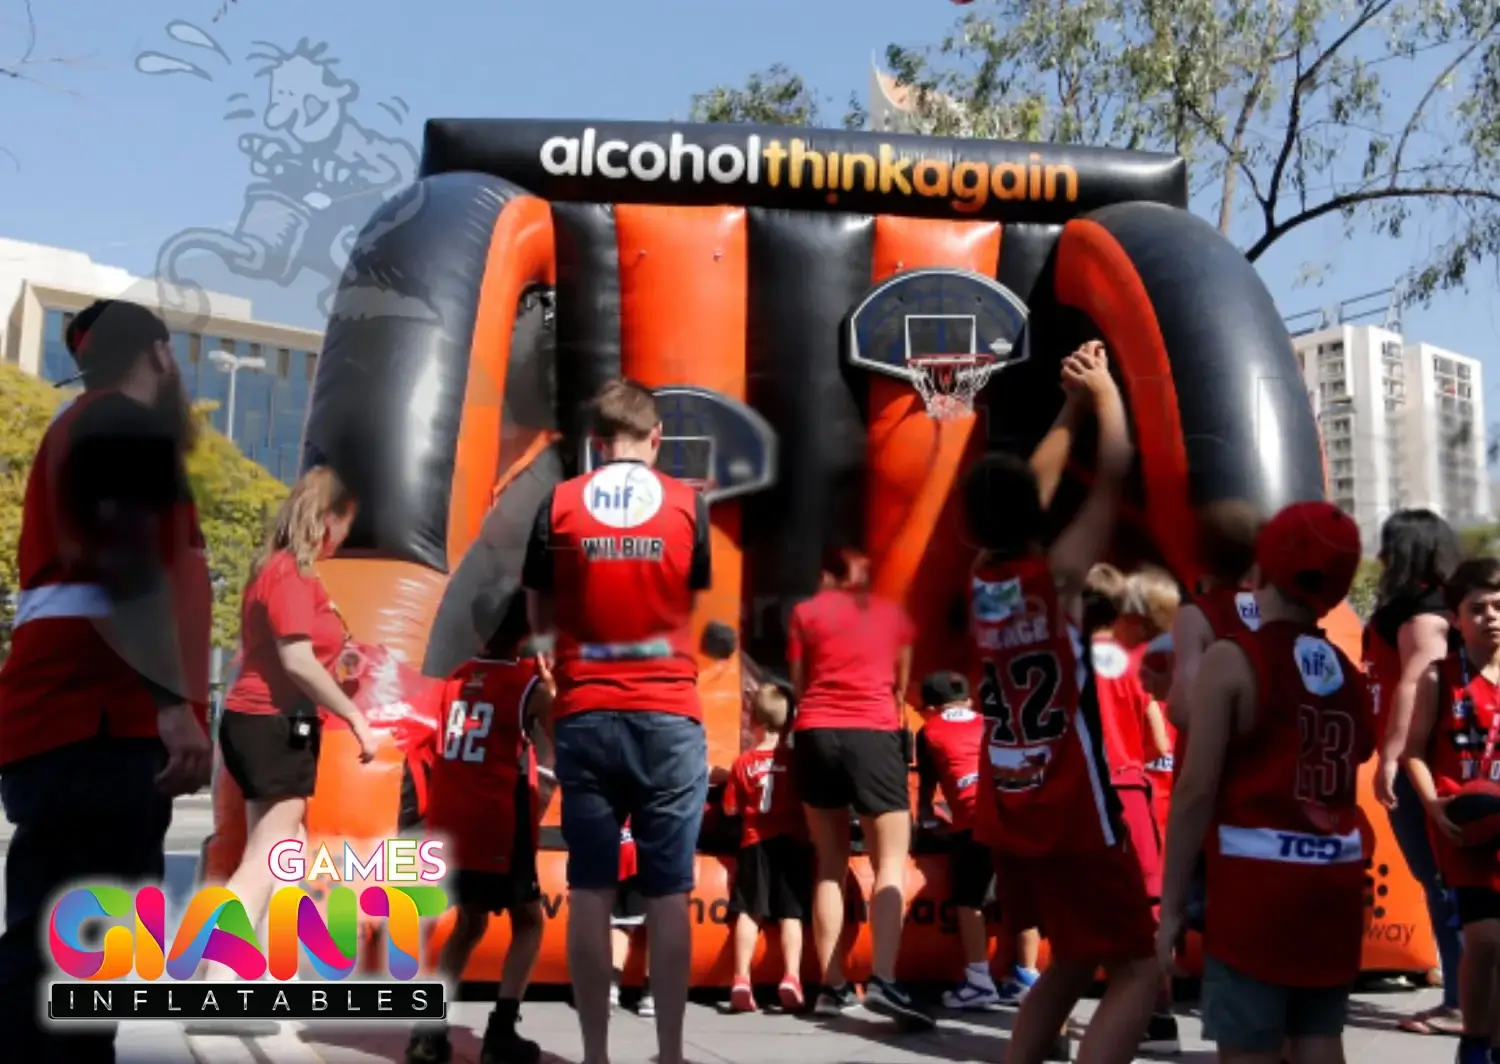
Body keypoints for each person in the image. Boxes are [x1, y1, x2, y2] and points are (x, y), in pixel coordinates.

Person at [0, 299, 213, 1063]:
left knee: (73, 948)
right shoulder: (122, 424)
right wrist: (173, 710)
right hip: (95, 723)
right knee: (71, 950)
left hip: (76, 721)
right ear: (158, 354)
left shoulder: (91, 425)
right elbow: (125, 568)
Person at [963, 340, 1160, 1064]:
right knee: (1139, 966)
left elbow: (1023, 497)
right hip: (1075, 802)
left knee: (1073, 959)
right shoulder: (1062, 576)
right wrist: (1104, 395)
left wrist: (1070, 407)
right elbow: (1110, 478)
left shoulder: (980, 579)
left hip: (1012, 799)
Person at [522, 379, 712, 1064]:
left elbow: (537, 598)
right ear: (656, 437)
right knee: (668, 891)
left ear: (596, 442)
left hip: (586, 710)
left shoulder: (561, 502)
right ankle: (668, 1053)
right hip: (666, 711)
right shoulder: (690, 505)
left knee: (590, 887)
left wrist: (551, 659)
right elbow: (687, 594)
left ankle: (595, 1055)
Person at [1163, 500, 1371, 1064]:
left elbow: (1195, 789)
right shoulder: (1347, 672)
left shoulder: (1234, 659)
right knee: (1319, 1037)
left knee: (1250, 1046)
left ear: (1263, 567)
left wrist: (1171, 906)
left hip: (1255, 892)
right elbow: (1360, 750)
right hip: (1331, 885)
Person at [207, 468, 379, 976]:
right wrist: (353, 717)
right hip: (270, 724)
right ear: (328, 519)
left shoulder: (286, 572)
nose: (346, 538)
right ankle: (220, 979)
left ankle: (254, 972)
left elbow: (304, 657)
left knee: (283, 854)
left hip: (274, 723)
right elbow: (296, 659)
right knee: (269, 856)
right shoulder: (289, 574)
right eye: (346, 525)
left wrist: (341, 665)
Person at [786, 544, 931, 1027]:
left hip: (814, 731)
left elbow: (799, 681)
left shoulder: (805, 613)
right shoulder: (892, 614)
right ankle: (886, 979)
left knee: (828, 862)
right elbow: (900, 683)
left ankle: (831, 986)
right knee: (890, 860)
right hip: (872, 729)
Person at [406, 601, 554, 1064]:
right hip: (497, 820)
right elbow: (562, 732)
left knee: (469, 922)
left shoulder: (455, 677)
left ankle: (428, 1031)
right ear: (526, 630)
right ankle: (501, 1033)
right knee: (529, 921)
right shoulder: (527, 683)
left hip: (452, 817)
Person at [1364, 510, 1464, 1035]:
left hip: (1426, 763)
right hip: (1437, 759)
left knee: (1444, 881)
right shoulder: (1445, 608)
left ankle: (1461, 1000)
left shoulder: (1421, 615)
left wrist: (1391, 756)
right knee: (1446, 881)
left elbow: (1414, 684)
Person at [1401, 557, 1500, 1064]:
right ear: (1456, 619)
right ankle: (1475, 1041)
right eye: (1478, 608)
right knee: (1483, 942)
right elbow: (1412, 751)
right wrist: (1434, 805)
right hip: (1465, 828)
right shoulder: (1439, 678)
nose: (1491, 617)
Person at [1083, 564, 1180, 1055]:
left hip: (1085, 795)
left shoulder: (1069, 661)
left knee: (1082, 909)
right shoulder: (1130, 661)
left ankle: (1072, 1019)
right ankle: (1158, 1012)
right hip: (1131, 790)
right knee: (1149, 905)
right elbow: (1158, 734)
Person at [914, 671, 1040, 1010]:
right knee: (1021, 896)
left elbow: (926, 797)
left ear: (930, 707)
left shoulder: (928, 730)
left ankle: (978, 980)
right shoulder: (991, 721)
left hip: (973, 820)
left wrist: (929, 820)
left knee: (969, 900)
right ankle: (1028, 976)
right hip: (1014, 813)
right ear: (969, 700)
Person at [723, 684, 812, 1013]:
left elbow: (730, 809)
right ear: (791, 723)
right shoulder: (798, 762)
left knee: (749, 911)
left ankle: (741, 978)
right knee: (792, 913)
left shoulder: (742, 762)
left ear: (753, 720)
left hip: (755, 842)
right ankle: (792, 976)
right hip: (793, 842)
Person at [609, 822, 654, 1018]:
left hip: (626, 843)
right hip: (660, 846)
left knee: (622, 922)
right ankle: (652, 993)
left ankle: (610, 987)